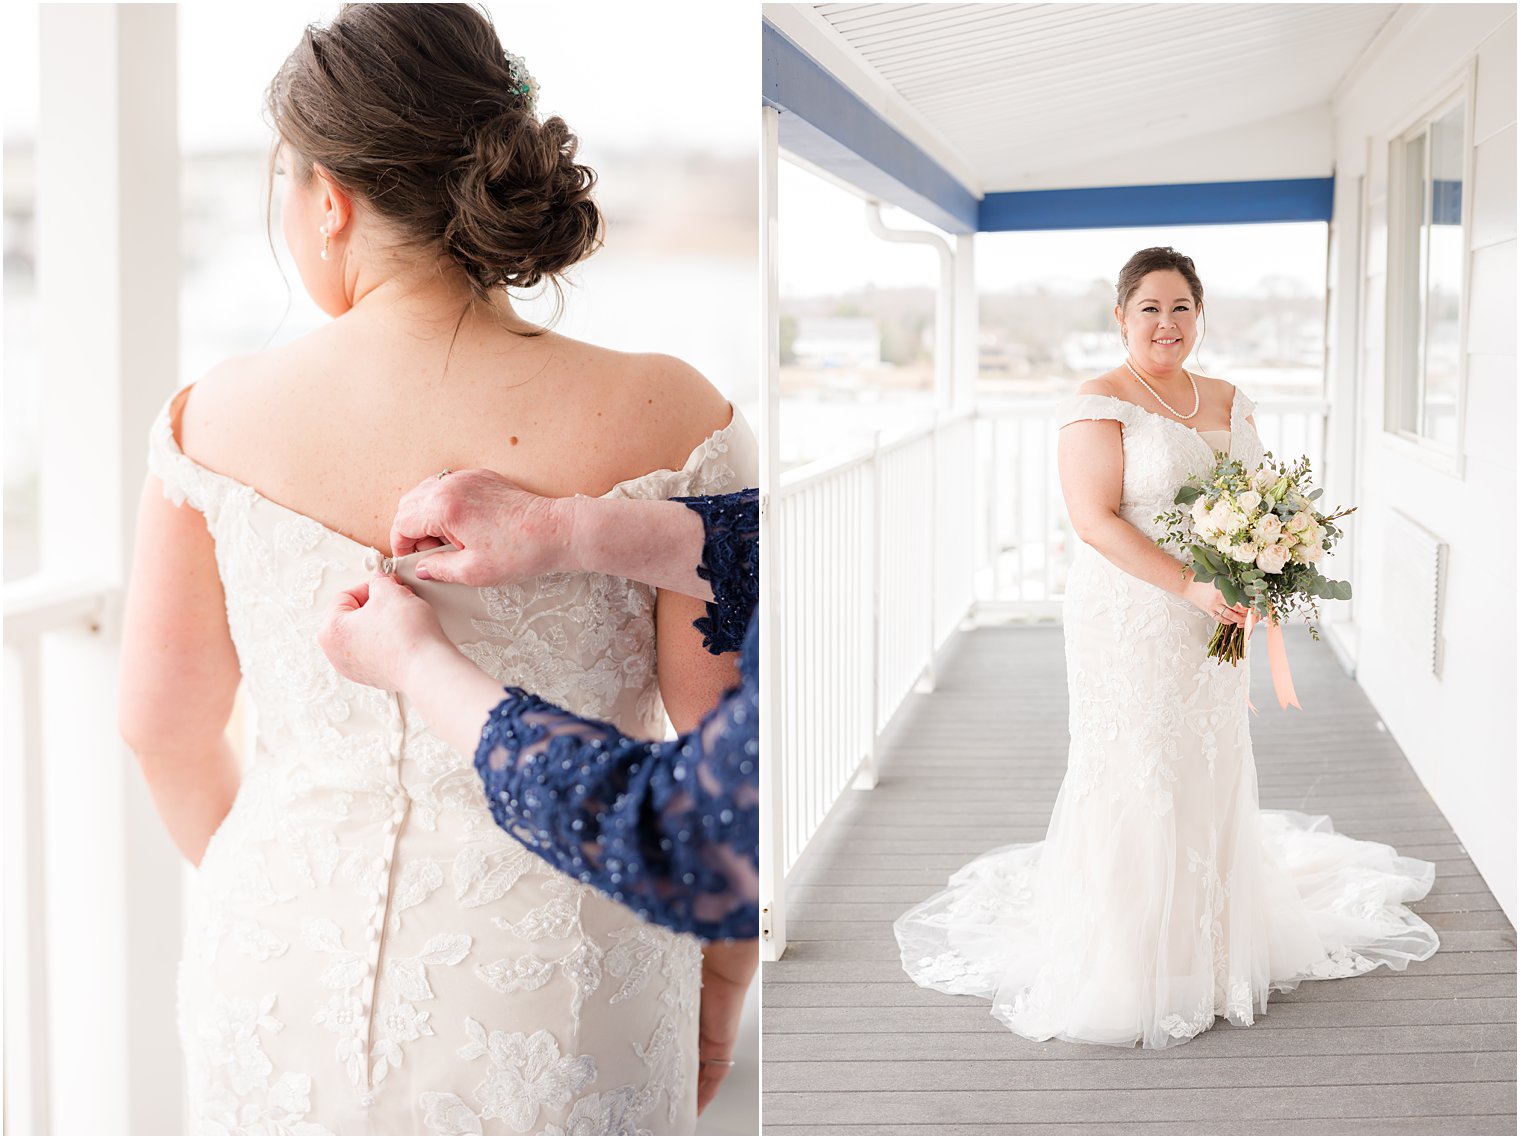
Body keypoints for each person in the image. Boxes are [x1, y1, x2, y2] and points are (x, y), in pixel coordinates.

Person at [117, 7, 755, 1133]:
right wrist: (719, 992)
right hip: (570, 964)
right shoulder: (671, 410)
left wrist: (282, 883)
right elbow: (724, 758)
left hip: (278, 955)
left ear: (329, 199)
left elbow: (161, 727)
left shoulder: (206, 420)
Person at [894, 246, 1439, 1049]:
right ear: (1121, 317)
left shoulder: (1226, 398)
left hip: (1216, 614)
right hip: (1133, 614)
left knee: (1209, 760)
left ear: (1200, 315)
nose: (1166, 323)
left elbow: (1262, 498)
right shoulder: (1098, 400)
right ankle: (1131, 961)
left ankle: (1213, 951)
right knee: (1139, 763)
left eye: (1181, 307)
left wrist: (1263, 563)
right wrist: (1188, 585)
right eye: (1149, 307)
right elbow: (1095, 519)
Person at [317, 480, 759, 1111]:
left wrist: (418, 662)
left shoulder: (202, 420)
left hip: (283, 958)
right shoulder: (687, 420)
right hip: (572, 987)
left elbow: (699, 831)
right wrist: (565, 529)